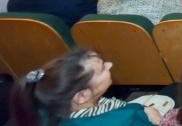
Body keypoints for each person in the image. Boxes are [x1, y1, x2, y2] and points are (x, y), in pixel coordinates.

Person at [9, 48, 162, 126]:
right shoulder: (127, 119)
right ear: (82, 96)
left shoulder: (41, 108)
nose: (110, 65)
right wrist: (144, 111)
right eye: (102, 69)